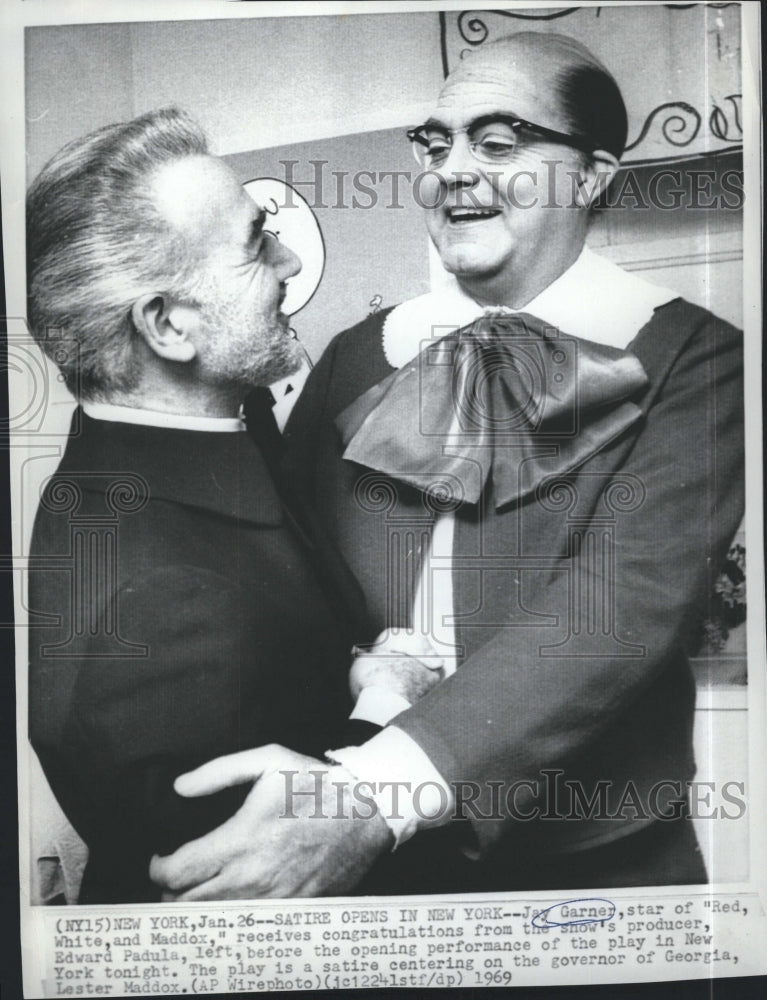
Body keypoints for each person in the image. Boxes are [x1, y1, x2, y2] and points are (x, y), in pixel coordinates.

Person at [150, 32, 744, 899]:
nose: (452, 169)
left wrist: (371, 798)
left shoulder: (696, 360)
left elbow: (613, 610)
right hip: (358, 860)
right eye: (435, 144)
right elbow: (284, 574)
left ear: (590, 174)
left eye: (498, 142)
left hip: (590, 871)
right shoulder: (362, 352)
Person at [26, 108, 434, 903]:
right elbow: (257, 866)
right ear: (170, 325)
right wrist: (387, 701)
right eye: (257, 244)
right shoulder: (160, 592)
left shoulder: (172, 453)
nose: (288, 261)